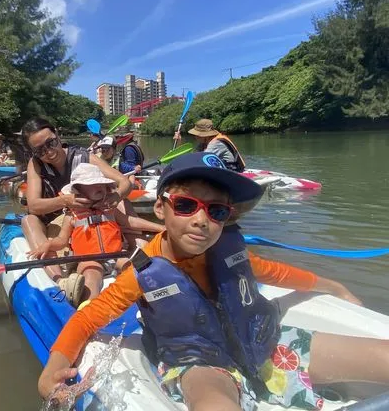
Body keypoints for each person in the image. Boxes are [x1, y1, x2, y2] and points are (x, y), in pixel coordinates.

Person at [38, 152, 388, 411]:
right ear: (160, 209)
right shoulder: (143, 274)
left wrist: (332, 286)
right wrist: (54, 367)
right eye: (186, 205)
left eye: (216, 210)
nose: (202, 220)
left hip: (265, 343)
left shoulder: (228, 252)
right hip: (198, 364)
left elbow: (275, 272)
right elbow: (88, 317)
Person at [20, 118, 132, 299]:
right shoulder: (36, 164)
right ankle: (60, 281)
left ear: (57, 134)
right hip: (57, 220)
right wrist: (66, 201)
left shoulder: (84, 157)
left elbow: (124, 182)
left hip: (90, 214)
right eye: (40, 150)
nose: (49, 152)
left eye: (51, 143)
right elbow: (33, 205)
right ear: (33, 153)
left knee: (122, 202)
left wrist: (116, 196)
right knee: (28, 220)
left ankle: (135, 247)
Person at [27, 163, 165, 306]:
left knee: (131, 267)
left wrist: (161, 228)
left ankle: (147, 300)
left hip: (116, 256)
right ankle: (88, 306)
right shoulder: (72, 215)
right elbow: (62, 240)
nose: (100, 186)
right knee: (92, 276)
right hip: (88, 259)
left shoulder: (109, 209)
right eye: (93, 184)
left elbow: (130, 222)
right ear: (79, 190)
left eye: (102, 183)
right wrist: (48, 244)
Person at [175, 118, 246, 172]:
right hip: (222, 170)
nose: (195, 136)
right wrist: (179, 142)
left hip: (233, 171)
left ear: (205, 135)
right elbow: (193, 157)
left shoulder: (216, 143)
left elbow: (200, 161)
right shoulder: (204, 142)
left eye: (197, 134)